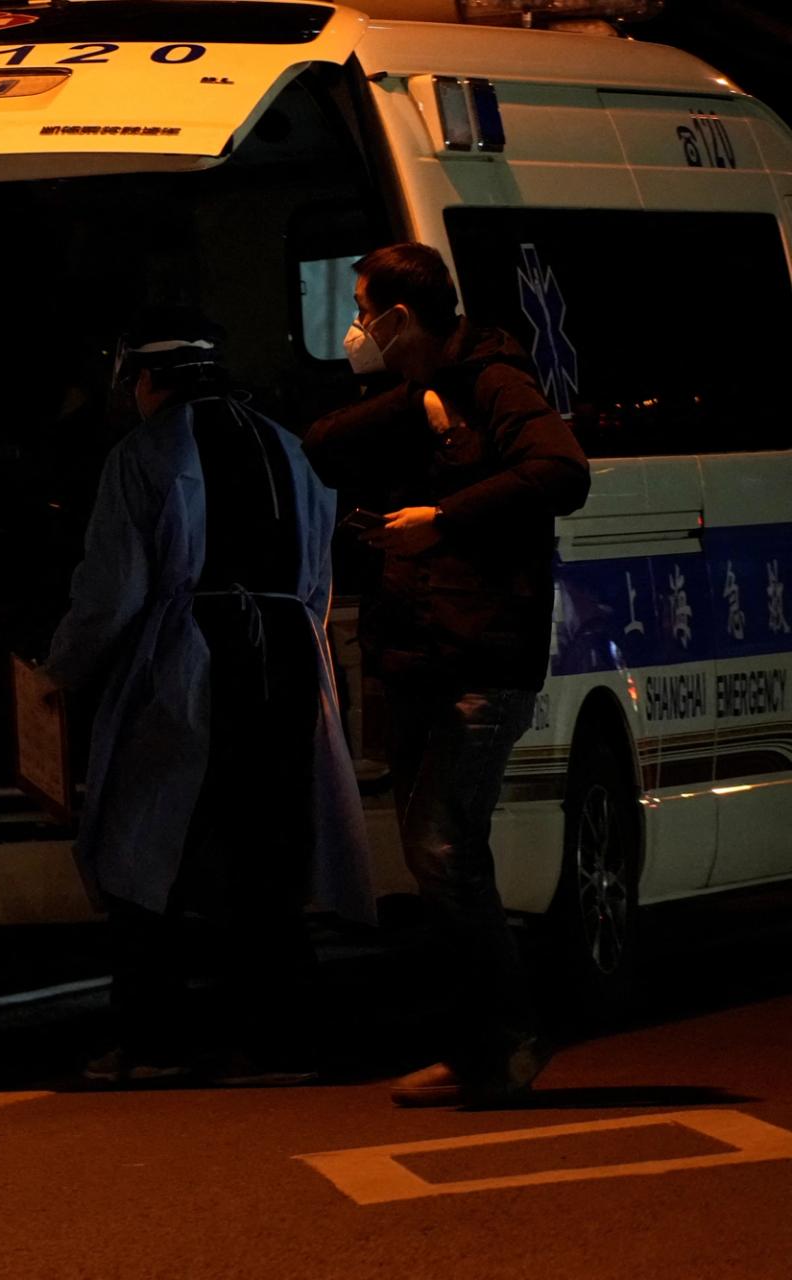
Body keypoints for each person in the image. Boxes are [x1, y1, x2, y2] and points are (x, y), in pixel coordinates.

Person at [42, 309, 372, 1085]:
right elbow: (319, 574)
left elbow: (113, 588)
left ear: (146, 382)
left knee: (143, 847)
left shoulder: (144, 453)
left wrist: (62, 670)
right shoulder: (292, 447)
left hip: (191, 663)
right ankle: (282, 1041)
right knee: (270, 852)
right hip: (291, 657)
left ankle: (153, 1039)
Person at [303, 242, 590, 1108]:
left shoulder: (498, 382)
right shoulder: (423, 393)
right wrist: (418, 406)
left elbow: (560, 471)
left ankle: (507, 1040)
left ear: (398, 317)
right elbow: (321, 444)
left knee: (442, 846)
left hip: (482, 654)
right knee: (439, 858)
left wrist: (444, 519)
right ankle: (478, 1047)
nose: (354, 326)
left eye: (363, 308)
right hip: (424, 654)